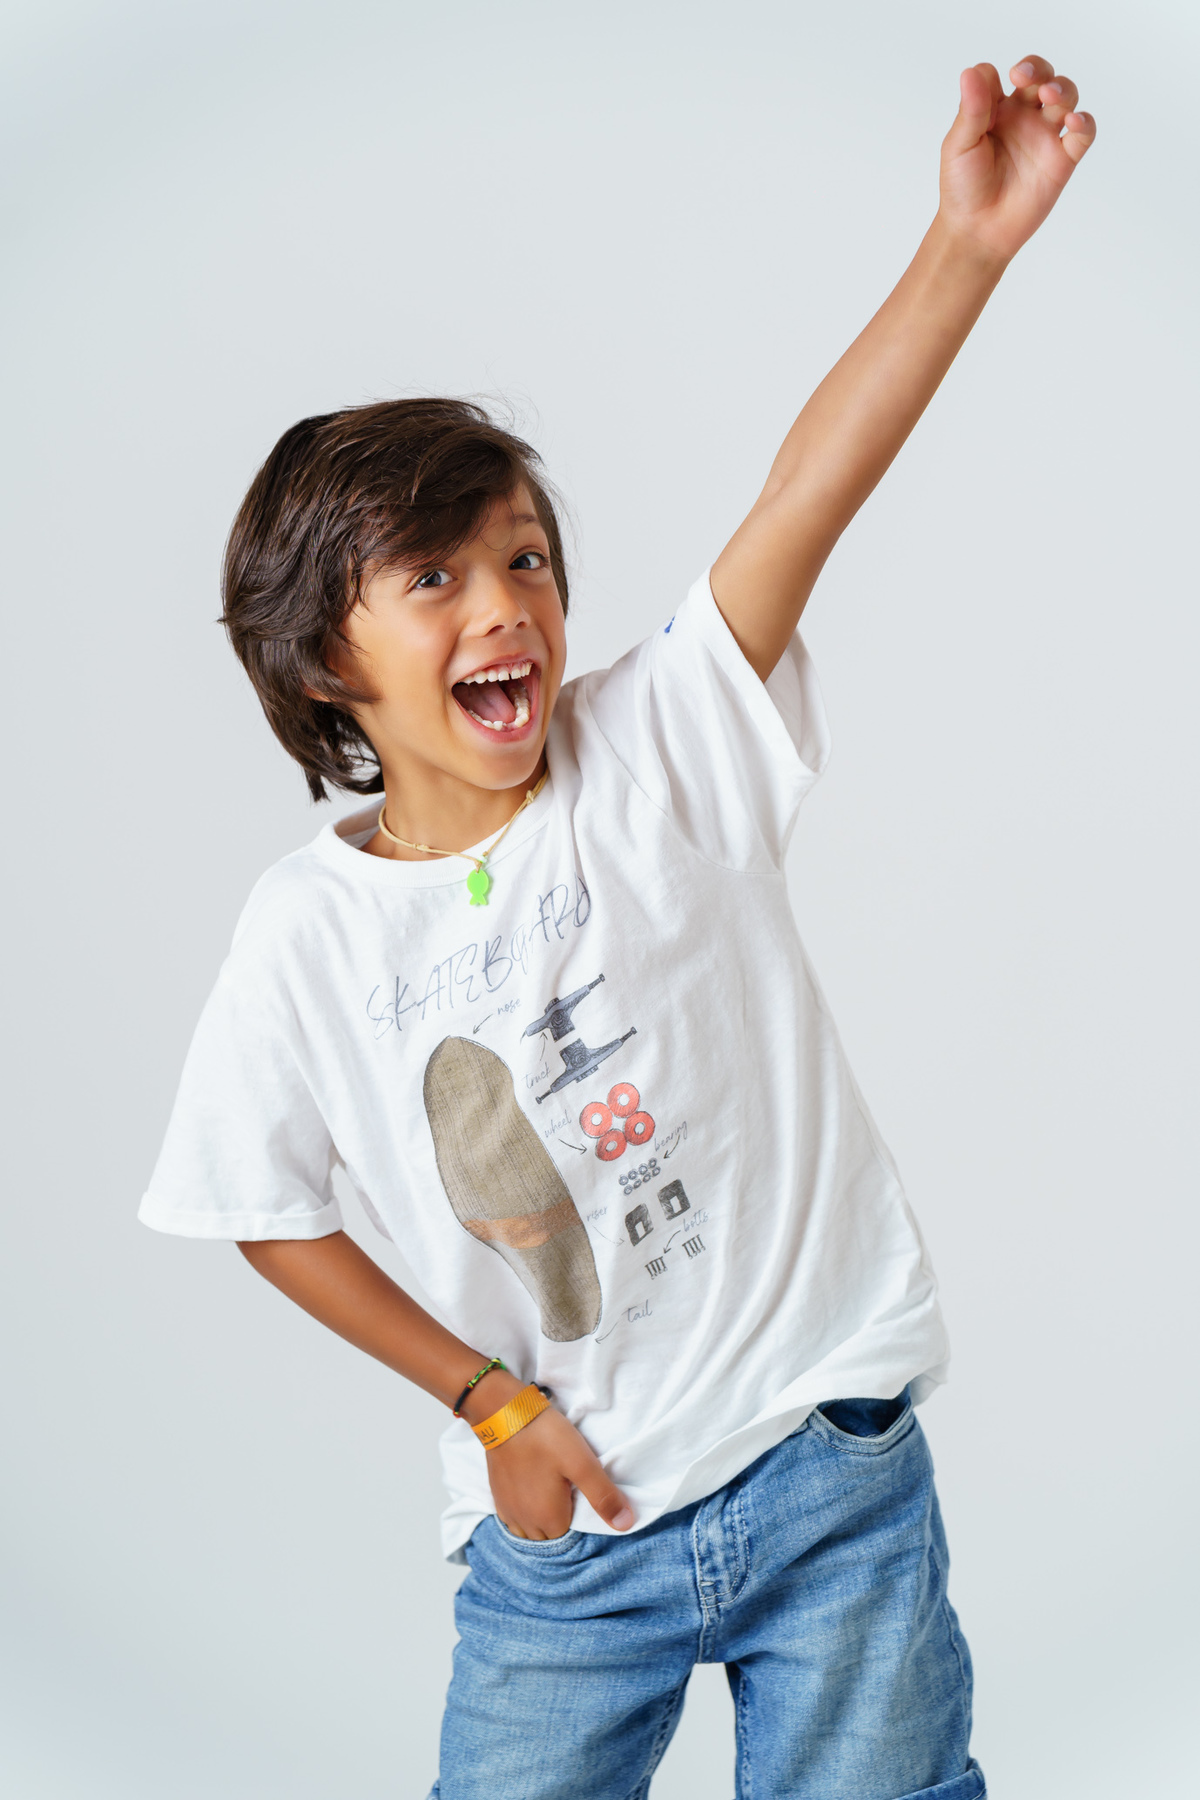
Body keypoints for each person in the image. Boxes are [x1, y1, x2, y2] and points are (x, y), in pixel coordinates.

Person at [141, 55, 1094, 1800]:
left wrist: (967, 247)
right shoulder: (309, 937)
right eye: (434, 579)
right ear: (327, 662)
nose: (505, 605)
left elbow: (803, 497)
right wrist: (486, 1401)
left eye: (524, 559)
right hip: (573, 1524)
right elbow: (259, 1206)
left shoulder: (658, 750)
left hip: (823, 1452)